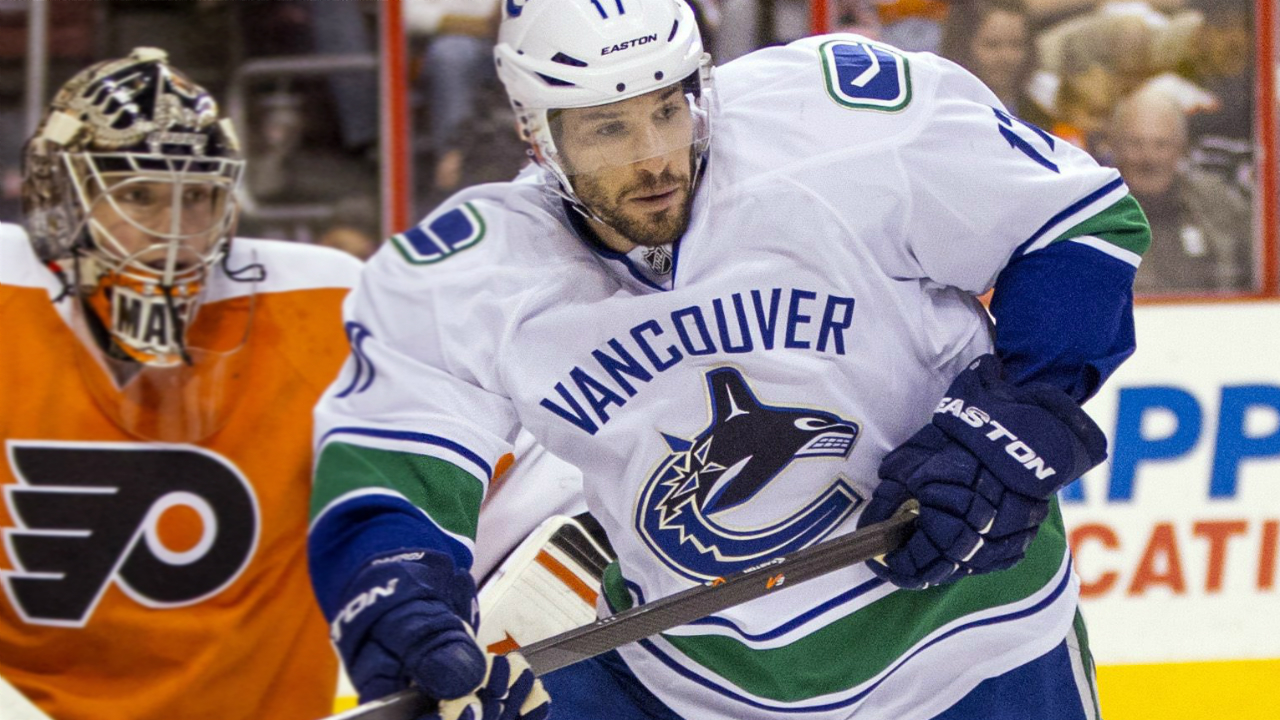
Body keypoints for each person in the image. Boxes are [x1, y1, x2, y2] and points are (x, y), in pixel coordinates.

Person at [309, 1, 1150, 719]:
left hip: (978, 645)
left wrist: (1010, 423)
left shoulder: (838, 121)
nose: (653, 159)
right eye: (608, 128)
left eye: (667, 110)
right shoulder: (478, 272)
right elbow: (391, 457)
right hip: (698, 686)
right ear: (539, 135)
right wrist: (402, 602)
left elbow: (1079, 223)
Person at [0, 48, 363, 720]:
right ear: (62, 199)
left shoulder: (326, 303)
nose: (171, 232)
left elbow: (493, 496)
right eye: (137, 194)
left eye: (197, 196)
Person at [1109, 88, 1253, 294]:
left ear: (1180, 148)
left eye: (1161, 144)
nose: (1148, 157)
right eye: (1135, 143)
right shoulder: (1094, 213)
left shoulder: (1217, 202)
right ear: (1115, 146)